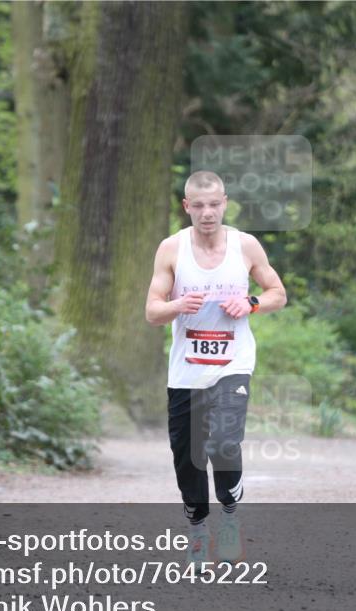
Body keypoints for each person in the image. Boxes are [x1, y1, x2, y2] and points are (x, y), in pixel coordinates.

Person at [145, 171, 287, 569]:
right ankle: (197, 530)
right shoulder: (171, 249)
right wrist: (177, 306)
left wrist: (252, 303)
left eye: (214, 204)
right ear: (186, 207)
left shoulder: (246, 245)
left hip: (233, 365)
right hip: (186, 373)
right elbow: (152, 311)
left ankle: (229, 518)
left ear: (225, 203)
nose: (207, 213)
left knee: (224, 443)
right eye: (199, 205)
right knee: (187, 458)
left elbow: (278, 293)